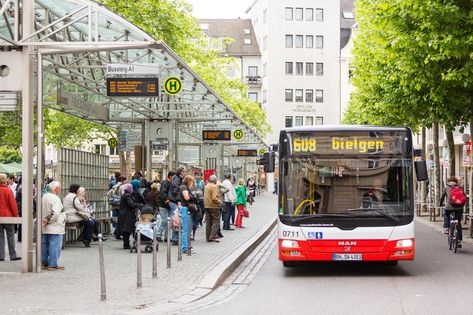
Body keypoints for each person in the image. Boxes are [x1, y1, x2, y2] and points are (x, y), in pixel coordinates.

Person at [42, 181, 66, 270]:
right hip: (55, 226)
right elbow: (55, 213)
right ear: (56, 189)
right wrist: (47, 220)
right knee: (54, 246)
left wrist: (44, 221)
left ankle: (44, 262)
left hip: (45, 226)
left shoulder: (44, 197)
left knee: (45, 245)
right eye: (60, 188)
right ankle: (52, 264)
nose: (61, 189)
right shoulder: (55, 199)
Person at [0, 173, 21, 261]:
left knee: (0, 237)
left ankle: (1, 256)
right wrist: (16, 216)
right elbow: (13, 205)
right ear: (5, 180)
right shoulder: (8, 191)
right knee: (10, 236)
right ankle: (13, 255)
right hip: (8, 217)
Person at [440, 176, 465, 248]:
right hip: (459, 207)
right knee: (458, 223)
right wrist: (462, 205)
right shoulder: (460, 187)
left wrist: (441, 204)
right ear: (456, 181)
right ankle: (459, 240)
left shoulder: (446, 187)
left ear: (449, 181)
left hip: (449, 207)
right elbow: (464, 198)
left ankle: (447, 227)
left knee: (446, 213)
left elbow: (442, 197)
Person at [118, 183, 142, 249]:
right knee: (128, 230)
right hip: (127, 215)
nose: (132, 189)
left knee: (126, 230)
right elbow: (131, 204)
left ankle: (126, 244)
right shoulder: (128, 196)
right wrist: (139, 205)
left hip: (123, 214)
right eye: (131, 188)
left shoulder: (124, 195)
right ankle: (128, 244)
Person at [179, 175, 198, 254]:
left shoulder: (186, 188)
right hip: (186, 209)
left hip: (188, 209)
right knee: (186, 230)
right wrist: (193, 196)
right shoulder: (184, 187)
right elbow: (186, 197)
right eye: (192, 182)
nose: (193, 183)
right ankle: (184, 247)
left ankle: (187, 246)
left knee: (188, 229)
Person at [157, 171, 177, 242]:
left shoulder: (171, 183)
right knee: (165, 221)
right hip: (163, 204)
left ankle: (166, 237)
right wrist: (167, 200)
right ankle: (158, 234)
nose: (174, 178)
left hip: (168, 204)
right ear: (170, 176)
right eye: (173, 177)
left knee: (169, 221)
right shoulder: (165, 183)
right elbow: (163, 193)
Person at [204, 175, 223, 242]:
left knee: (208, 222)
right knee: (216, 221)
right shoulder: (214, 186)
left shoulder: (207, 186)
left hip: (207, 205)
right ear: (215, 180)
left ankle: (208, 237)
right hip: (214, 206)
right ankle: (212, 236)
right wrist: (219, 202)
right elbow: (214, 198)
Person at [108, 175, 126, 239]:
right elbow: (124, 195)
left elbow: (108, 193)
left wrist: (114, 197)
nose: (125, 181)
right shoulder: (123, 186)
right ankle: (117, 232)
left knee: (117, 218)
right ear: (121, 180)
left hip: (114, 204)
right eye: (125, 180)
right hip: (120, 204)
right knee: (121, 219)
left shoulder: (114, 186)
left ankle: (116, 232)